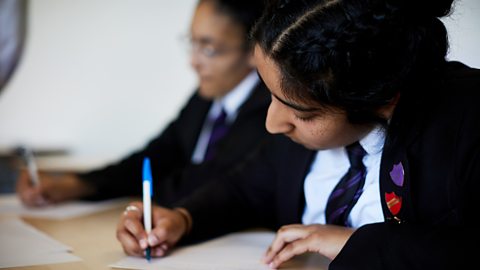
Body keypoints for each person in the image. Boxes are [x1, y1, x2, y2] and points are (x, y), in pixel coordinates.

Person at [116, 0, 480, 268]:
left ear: (379, 99)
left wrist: (357, 244)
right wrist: (183, 219)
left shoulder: (468, 121)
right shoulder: (299, 112)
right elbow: (246, 187)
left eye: (301, 111)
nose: (272, 123)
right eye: (269, 94)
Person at [16, 0, 269, 207]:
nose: (193, 61)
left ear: (253, 52)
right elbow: (157, 156)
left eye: (209, 48)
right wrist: (78, 184)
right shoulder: (206, 98)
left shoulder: (269, 111)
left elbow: (211, 181)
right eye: (192, 43)